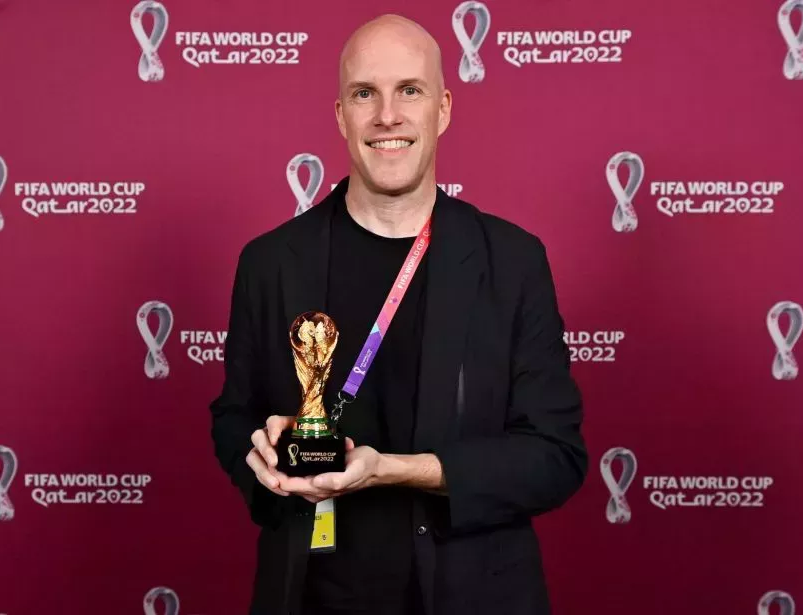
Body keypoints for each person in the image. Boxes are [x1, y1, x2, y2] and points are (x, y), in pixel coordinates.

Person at [210, 14, 587, 615]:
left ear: (443, 109)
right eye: (365, 94)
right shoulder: (270, 262)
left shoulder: (513, 261)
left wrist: (395, 470)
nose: (388, 115)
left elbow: (554, 457)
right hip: (312, 597)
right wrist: (262, 453)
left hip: (474, 596)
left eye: (410, 90)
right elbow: (234, 418)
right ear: (341, 115)